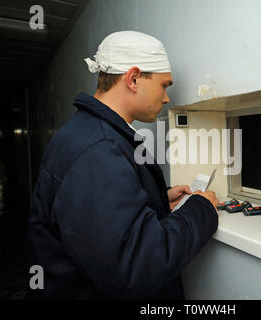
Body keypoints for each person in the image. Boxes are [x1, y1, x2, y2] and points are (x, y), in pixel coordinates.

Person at [27, 31, 219, 300]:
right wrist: (202, 209)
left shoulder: (91, 133)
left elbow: (99, 222)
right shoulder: (98, 149)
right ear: (133, 79)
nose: (166, 98)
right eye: (164, 85)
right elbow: (136, 266)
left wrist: (157, 201)